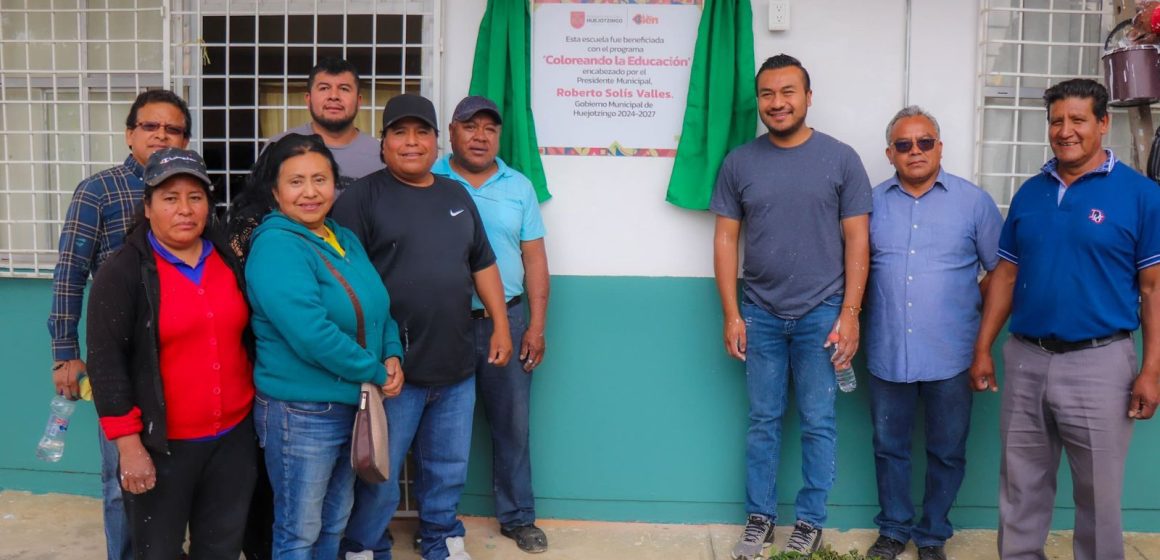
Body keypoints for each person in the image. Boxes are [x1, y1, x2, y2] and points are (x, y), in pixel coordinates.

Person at [970, 78, 1160, 560]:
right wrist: (982, 349)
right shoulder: (1031, 193)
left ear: (1103, 123)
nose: (1065, 131)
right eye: (1057, 120)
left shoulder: (1141, 196)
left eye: (1078, 120)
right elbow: (1006, 276)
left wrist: (1151, 369)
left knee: (1098, 497)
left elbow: (1153, 288)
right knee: (1021, 488)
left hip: (1100, 362)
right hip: (1028, 358)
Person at [334, 93, 512, 560]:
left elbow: (484, 263)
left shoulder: (455, 194)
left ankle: (441, 537)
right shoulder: (360, 198)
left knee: (448, 465)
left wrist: (500, 326)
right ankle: (366, 544)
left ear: (437, 141)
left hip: (455, 362)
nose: (411, 142)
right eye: (399, 132)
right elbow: (340, 279)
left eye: (421, 132)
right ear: (384, 143)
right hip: (392, 370)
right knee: (381, 469)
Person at [711, 54, 872, 558]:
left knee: (819, 422)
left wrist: (850, 313)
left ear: (807, 97)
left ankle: (810, 521)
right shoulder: (740, 162)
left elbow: (857, 242)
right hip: (758, 313)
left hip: (822, 313)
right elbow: (724, 240)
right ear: (758, 100)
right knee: (763, 420)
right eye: (767, 94)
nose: (777, 103)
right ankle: (759, 518)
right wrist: (731, 313)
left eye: (787, 92)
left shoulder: (841, 159)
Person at [86, 148, 256, 559]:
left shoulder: (225, 259)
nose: (185, 209)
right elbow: (106, 366)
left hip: (232, 441)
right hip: (162, 448)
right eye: (170, 197)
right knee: (157, 551)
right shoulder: (123, 272)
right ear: (147, 206)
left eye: (195, 197)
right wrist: (129, 448)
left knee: (221, 547)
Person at [243, 133, 405, 560]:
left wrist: (392, 353)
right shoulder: (276, 245)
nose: (310, 192)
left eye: (320, 179)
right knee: (299, 529)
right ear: (276, 192)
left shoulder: (342, 237)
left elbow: (379, 305)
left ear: (335, 184)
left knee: (334, 520)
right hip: (302, 413)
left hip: (349, 403)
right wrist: (374, 372)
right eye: (296, 182)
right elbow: (311, 333)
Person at [47, 89, 192, 560]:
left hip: (183, 357)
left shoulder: (191, 193)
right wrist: (64, 352)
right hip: (121, 362)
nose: (161, 135)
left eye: (172, 129)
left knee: (177, 475)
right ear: (130, 134)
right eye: (150, 126)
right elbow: (69, 272)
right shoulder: (99, 191)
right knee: (122, 478)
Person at [862, 107, 1002, 560]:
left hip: (951, 353)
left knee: (946, 451)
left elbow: (1001, 273)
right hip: (887, 352)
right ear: (890, 154)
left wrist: (965, 303)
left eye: (925, 142)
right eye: (904, 145)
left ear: (940, 147)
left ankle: (932, 534)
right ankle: (893, 528)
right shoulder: (869, 203)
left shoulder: (973, 202)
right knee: (889, 448)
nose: (915, 151)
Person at [432, 95, 551, 554]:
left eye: (489, 128)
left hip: (509, 317)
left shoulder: (518, 187)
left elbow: (535, 259)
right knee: (435, 426)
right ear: (451, 132)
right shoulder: (429, 179)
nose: (480, 136)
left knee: (512, 425)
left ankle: (518, 518)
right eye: (470, 126)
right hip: (442, 322)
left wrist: (536, 326)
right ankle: (436, 521)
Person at [268, 57, 384, 190]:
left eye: (344, 89)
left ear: (358, 101)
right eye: (324, 88)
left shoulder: (381, 155)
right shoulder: (276, 148)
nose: (334, 96)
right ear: (308, 99)